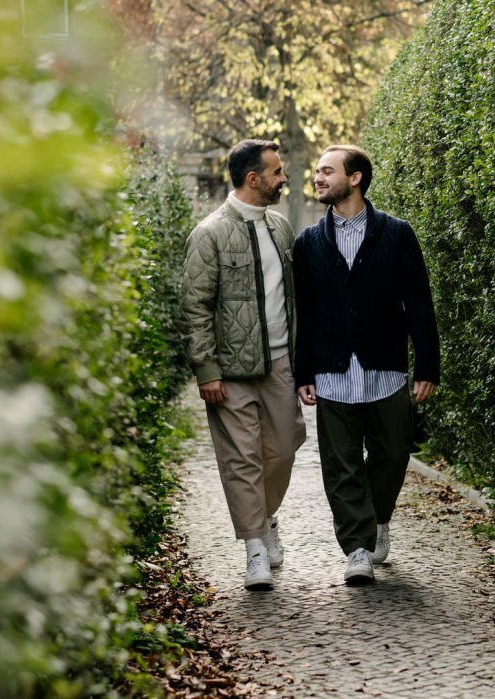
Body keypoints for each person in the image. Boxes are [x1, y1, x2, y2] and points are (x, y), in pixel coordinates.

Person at [293, 144, 440, 585]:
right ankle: (357, 547)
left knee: (393, 454)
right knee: (340, 465)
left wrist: (427, 365)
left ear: (354, 178)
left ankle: (377, 519)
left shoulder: (397, 234)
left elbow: (418, 303)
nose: (318, 178)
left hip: (386, 370)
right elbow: (307, 313)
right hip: (332, 373)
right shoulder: (308, 243)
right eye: (317, 172)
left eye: (327, 171)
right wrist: (304, 374)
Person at [182, 139, 306, 590]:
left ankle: (267, 516)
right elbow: (195, 306)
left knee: (286, 445)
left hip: (279, 363)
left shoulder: (281, 228)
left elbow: (294, 299)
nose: (283, 178)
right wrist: (206, 370)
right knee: (241, 460)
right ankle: (254, 546)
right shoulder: (209, 233)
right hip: (231, 372)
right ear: (253, 179)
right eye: (276, 172)